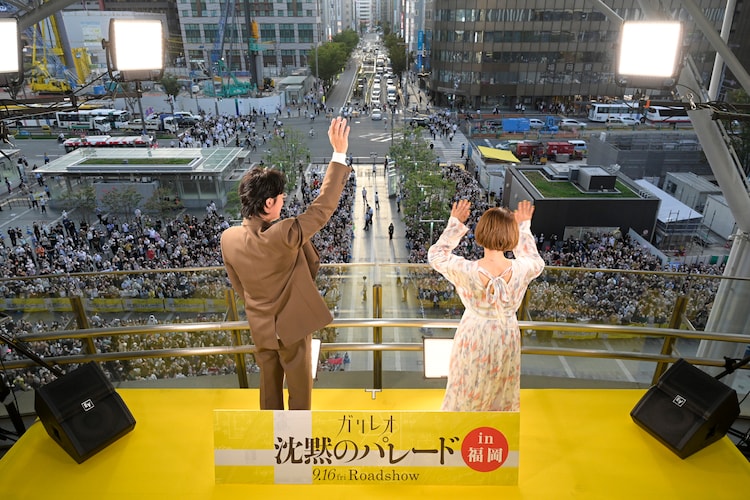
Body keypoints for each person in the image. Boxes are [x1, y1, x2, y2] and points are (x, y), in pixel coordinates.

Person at [220, 117, 352, 410]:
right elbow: (322, 208)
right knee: (299, 390)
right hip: (292, 327)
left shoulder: (228, 239)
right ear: (268, 203)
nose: (283, 201)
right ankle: (295, 435)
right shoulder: (283, 233)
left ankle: (270, 432)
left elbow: (240, 287)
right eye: (281, 197)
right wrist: (339, 154)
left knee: (268, 388)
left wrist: (261, 307)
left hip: (260, 326)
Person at [427, 199, 544, 411]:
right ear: (512, 236)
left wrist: (455, 223)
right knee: (502, 383)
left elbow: (436, 256)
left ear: (481, 233)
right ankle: (496, 428)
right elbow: (533, 258)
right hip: (506, 332)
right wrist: (523, 226)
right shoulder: (523, 268)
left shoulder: (466, 270)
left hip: (474, 331)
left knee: (467, 381)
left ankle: (465, 424)